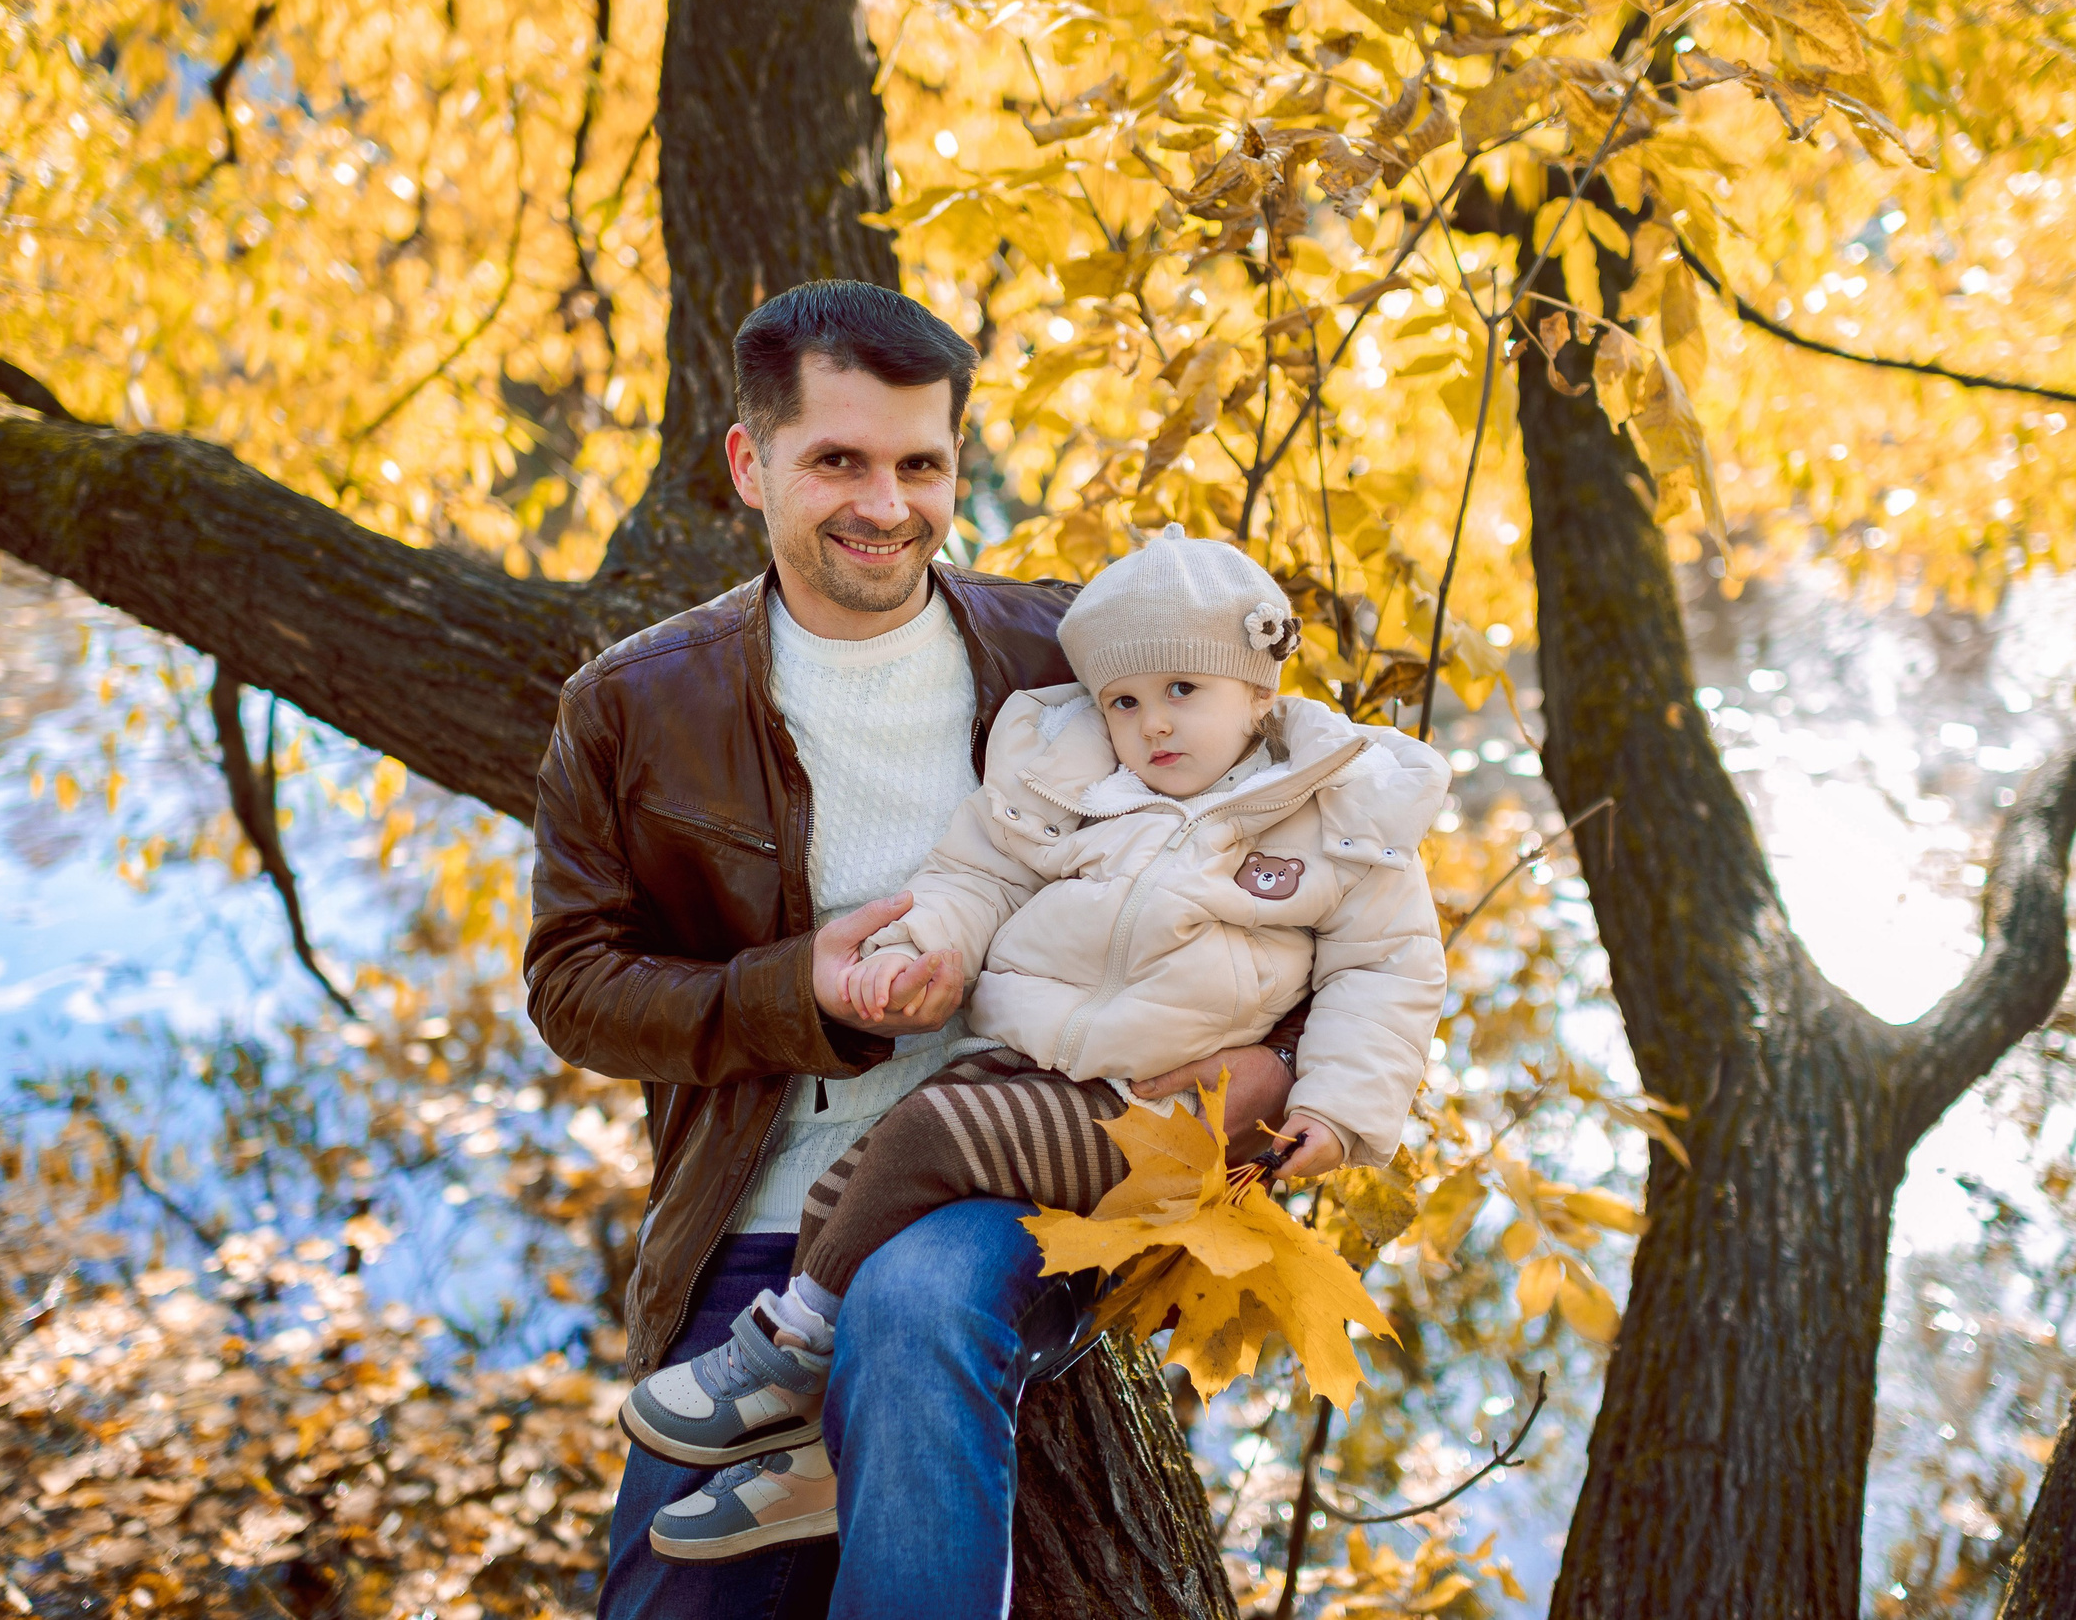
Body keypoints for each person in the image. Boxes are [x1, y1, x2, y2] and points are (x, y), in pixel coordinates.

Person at [522, 280, 1301, 1617]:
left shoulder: (1066, 658)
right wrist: (793, 988)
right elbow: (573, 983)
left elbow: (1302, 846)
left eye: (920, 464)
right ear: (749, 462)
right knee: (669, 1593)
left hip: (1022, 1166)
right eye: (839, 460)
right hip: (756, 1225)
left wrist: (1272, 1070)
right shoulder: (634, 701)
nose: (886, 503)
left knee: (919, 1304)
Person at [618, 527, 1452, 1525]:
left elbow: (1385, 968)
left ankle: (784, 1350)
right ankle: (824, 1459)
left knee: (925, 1135)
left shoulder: (1339, 815)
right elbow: (973, 877)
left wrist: (1336, 1103)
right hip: (1031, 1066)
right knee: (858, 1174)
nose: (1153, 724)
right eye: (1124, 701)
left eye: (1184, 690)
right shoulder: (1074, 787)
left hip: (1164, 1115)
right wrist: (908, 956)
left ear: (1258, 696)